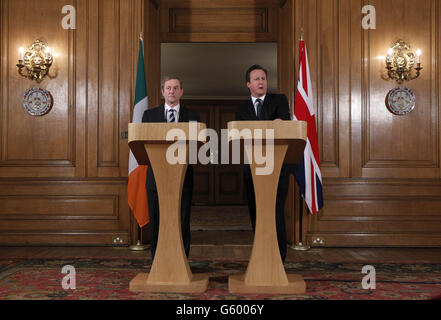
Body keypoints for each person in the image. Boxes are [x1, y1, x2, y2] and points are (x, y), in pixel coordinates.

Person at [235, 64, 291, 263]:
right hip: (253, 167)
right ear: (248, 84)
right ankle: (261, 254)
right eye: (257, 79)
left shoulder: (279, 100)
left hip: (278, 167)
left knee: (275, 210)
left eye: (263, 78)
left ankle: (278, 258)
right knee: (256, 210)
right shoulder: (241, 109)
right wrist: (270, 125)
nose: (261, 82)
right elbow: (240, 134)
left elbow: (285, 124)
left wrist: (277, 124)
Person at [142, 76, 200, 260]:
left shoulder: (193, 117)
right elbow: (143, 145)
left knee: (181, 220)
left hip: (182, 177)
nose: (172, 91)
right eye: (168, 88)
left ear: (181, 92)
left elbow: (198, 148)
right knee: (157, 220)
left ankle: (182, 261)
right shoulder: (149, 116)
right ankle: (157, 261)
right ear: (162, 92)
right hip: (156, 178)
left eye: (175, 88)